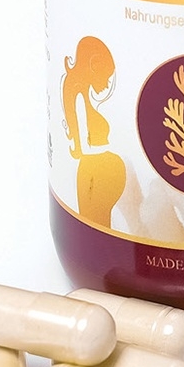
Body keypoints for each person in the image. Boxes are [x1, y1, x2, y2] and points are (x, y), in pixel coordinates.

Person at [61, 35, 127, 226]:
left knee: (100, 224)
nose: (106, 84)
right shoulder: (79, 95)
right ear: (94, 65)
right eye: (106, 76)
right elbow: (85, 147)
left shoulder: (82, 95)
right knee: (97, 224)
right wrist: (112, 160)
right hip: (94, 177)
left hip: (96, 177)